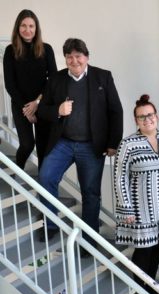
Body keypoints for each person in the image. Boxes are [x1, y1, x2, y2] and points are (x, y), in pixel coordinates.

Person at [37, 38, 123, 246]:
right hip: (63, 143)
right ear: (65, 59)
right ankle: (50, 224)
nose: (74, 61)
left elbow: (116, 111)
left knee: (90, 193)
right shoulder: (56, 79)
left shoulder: (103, 77)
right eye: (69, 57)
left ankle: (88, 239)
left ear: (86, 57)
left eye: (78, 56)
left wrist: (113, 143)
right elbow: (42, 110)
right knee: (46, 177)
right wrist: (58, 110)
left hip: (91, 146)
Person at [114, 94, 159, 294]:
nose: (147, 119)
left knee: (155, 251)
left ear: (157, 116)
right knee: (143, 251)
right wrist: (126, 208)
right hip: (140, 210)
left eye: (150, 115)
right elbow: (119, 176)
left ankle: (150, 287)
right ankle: (141, 293)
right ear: (136, 121)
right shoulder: (128, 144)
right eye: (142, 117)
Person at [3, 9, 57, 170]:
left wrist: (37, 103)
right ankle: (18, 171)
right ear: (18, 28)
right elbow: (10, 85)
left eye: (31, 26)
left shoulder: (46, 49)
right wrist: (28, 110)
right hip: (21, 106)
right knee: (27, 144)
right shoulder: (10, 51)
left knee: (43, 148)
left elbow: (53, 80)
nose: (28, 30)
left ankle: (42, 186)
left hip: (43, 103)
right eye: (24, 25)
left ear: (36, 28)